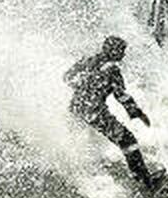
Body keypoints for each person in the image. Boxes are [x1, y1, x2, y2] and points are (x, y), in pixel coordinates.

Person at [64, 36, 157, 188]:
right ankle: (145, 180)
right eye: (122, 51)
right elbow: (122, 96)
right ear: (114, 51)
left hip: (76, 107)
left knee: (78, 140)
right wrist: (139, 114)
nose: (124, 55)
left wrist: (82, 87)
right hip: (94, 112)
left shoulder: (88, 61)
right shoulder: (112, 69)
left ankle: (84, 176)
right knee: (128, 140)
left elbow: (67, 77)